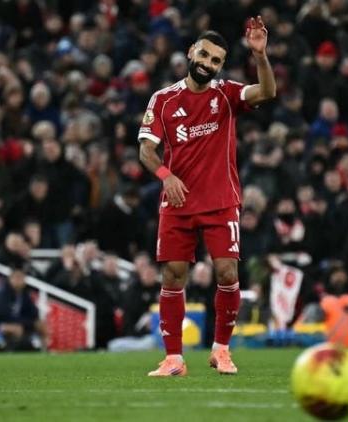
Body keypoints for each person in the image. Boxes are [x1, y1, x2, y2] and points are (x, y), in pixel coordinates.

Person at [138, 18, 276, 377]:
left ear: (220, 65)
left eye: (215, 60)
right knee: (173, 276)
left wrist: (260, 55)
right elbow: (146, 151)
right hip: (178, 202)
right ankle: (174, 359)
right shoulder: (163, 100)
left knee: (227, 272)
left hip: (220, 200)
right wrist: (166, 176)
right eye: (203, 55)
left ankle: (221, 351)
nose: (207, 63)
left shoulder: (226, 94)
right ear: (191, 52)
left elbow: (266, 92)